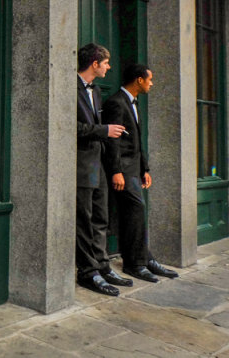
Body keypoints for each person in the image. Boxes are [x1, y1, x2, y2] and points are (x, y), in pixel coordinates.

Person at [102, 63, 179, 282]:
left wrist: (145, 168)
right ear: (139, 80)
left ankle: (145, 258)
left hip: (134, 169)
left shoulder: (134, 103)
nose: (151, 83)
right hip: (123, 170)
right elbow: (112, 141)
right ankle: (135, 264)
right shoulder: (116, 102)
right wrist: (116, 171)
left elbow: (137, 140)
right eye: (150, 79)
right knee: (136, 211)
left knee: (134, 214)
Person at [76, 43, 130, 296]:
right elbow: (68, 126)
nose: (109, 67)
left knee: (101, 218)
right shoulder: (69, 87)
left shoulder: (96, 90)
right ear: (94, 64)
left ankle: (102, 265)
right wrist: (104, 130)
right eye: (106, 63)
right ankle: (88, 273)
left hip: (99, 166)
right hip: (80, 166)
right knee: (84, 221)